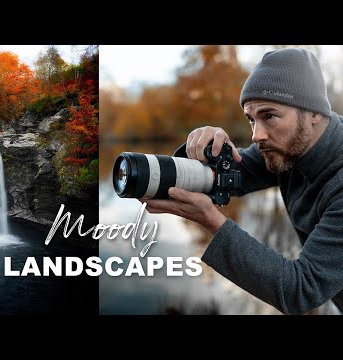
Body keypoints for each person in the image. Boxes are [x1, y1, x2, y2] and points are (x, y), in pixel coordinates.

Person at [143, 47, 343, 315]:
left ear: (314, 113)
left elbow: (301, 289)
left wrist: (211, 220)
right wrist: (201, 152)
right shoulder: (287, 146)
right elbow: (227, 178)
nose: (256, 135)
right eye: (251, 119)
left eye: (269, 116)